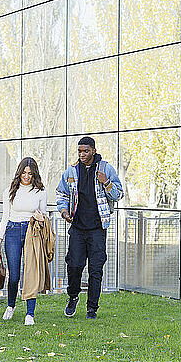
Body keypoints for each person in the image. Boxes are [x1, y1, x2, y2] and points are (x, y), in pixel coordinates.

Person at [56, 136, 123, 319]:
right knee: (74, 266)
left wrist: (107, 183)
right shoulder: (71, 171)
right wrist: (63, 211)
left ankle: (92, 308)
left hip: (97, 229)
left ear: (93, 150)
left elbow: (118, 195)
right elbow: (61, 194)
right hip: (77, 228)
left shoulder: (105, 169)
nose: (82, 154)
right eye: (79, 151)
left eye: (86, 151)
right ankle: (73, 296)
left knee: (95, 269)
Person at [0, 157, 47, 325]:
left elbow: (44, 215)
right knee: (15, 275)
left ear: (34, 175)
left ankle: (30, 314)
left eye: (30, 174)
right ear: (19, 173)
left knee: (30, 274)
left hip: (32, 232)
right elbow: (5, 217)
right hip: (12, 231)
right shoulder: (10, 190)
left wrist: (41, 217)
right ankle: (11, 306)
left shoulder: (40, 191)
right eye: (24, 173)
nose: (26, 176)